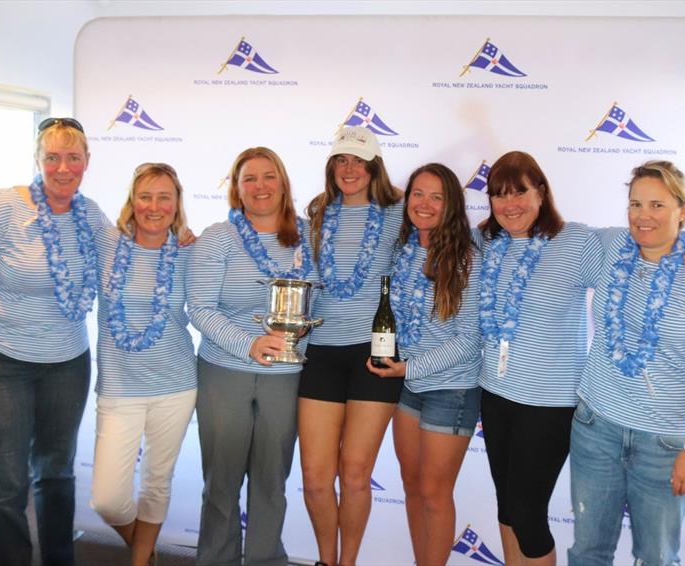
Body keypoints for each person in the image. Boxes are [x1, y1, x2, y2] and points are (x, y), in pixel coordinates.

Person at [475, 151, 685, 566]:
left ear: (543, 193)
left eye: (520, 192)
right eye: (499, 195)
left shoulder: (580, 241)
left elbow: (653, 237)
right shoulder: (486, 241)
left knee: (529, 514)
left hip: (550, 404)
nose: (510, 204)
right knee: (508, 509)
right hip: (496, 394)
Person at [0, 118, 106, 566]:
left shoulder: (90, 215)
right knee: (3, 483)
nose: (63, 167)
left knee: (56, 474)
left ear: (87, 163)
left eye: (73, 157)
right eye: (52, 157)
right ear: (38, 161)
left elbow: (128, 257)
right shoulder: (0, 209)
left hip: (67, 362)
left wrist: (180, 239)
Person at [567, 161, 685, 566]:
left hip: (663, 445)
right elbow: (545, 230)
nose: (644, 216)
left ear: (684, 210)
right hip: (596, 429)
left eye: (657, 205)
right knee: (588, 552)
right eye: (635, 204)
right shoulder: (610, 249)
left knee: (657, 558)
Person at [187, 147, 317, 566]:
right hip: (225, 371)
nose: (260, 186)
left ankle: (265, 559)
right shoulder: (218, 238)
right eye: (249, 179)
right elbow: (200, 307)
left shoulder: (310, 237)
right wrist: (249, 343)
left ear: (283, 183)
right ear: (237, 189)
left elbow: (320, 304)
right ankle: (216, 559)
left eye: (268, 176)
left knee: (271, 481)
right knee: (222, 482)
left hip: (286, 374)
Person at [366, 163, 481, 566]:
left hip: (452, 389)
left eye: (437, 196)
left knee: (434, 492)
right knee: (412, 485)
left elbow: (468, 340)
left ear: (452, 204)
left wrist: (408, 368)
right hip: (408, 387)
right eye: (418, 194)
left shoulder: (468, 256)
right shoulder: (402, 250)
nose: (425, 203)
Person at [298, 126, 403, 566]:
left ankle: (349, 563)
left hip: (373, 354)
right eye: (342, 160)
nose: (350, 169)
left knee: (356, 475)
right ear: (331, 166)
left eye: (359, 161)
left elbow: (447, 229)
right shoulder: (317, 214)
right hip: (320, 350)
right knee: (317, 478)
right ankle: (326, 559)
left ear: (375, 166)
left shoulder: (397, 213)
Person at [89, 163, 196, 566]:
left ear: (176, 203)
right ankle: (143, 548)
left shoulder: (189, 251)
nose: (154, 206)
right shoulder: (106, 244)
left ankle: (140, 562)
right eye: (145, 196)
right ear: (132, 202)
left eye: (164, 197)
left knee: (156, 481)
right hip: (119, 388)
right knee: (108, 499)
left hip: (176, 384)